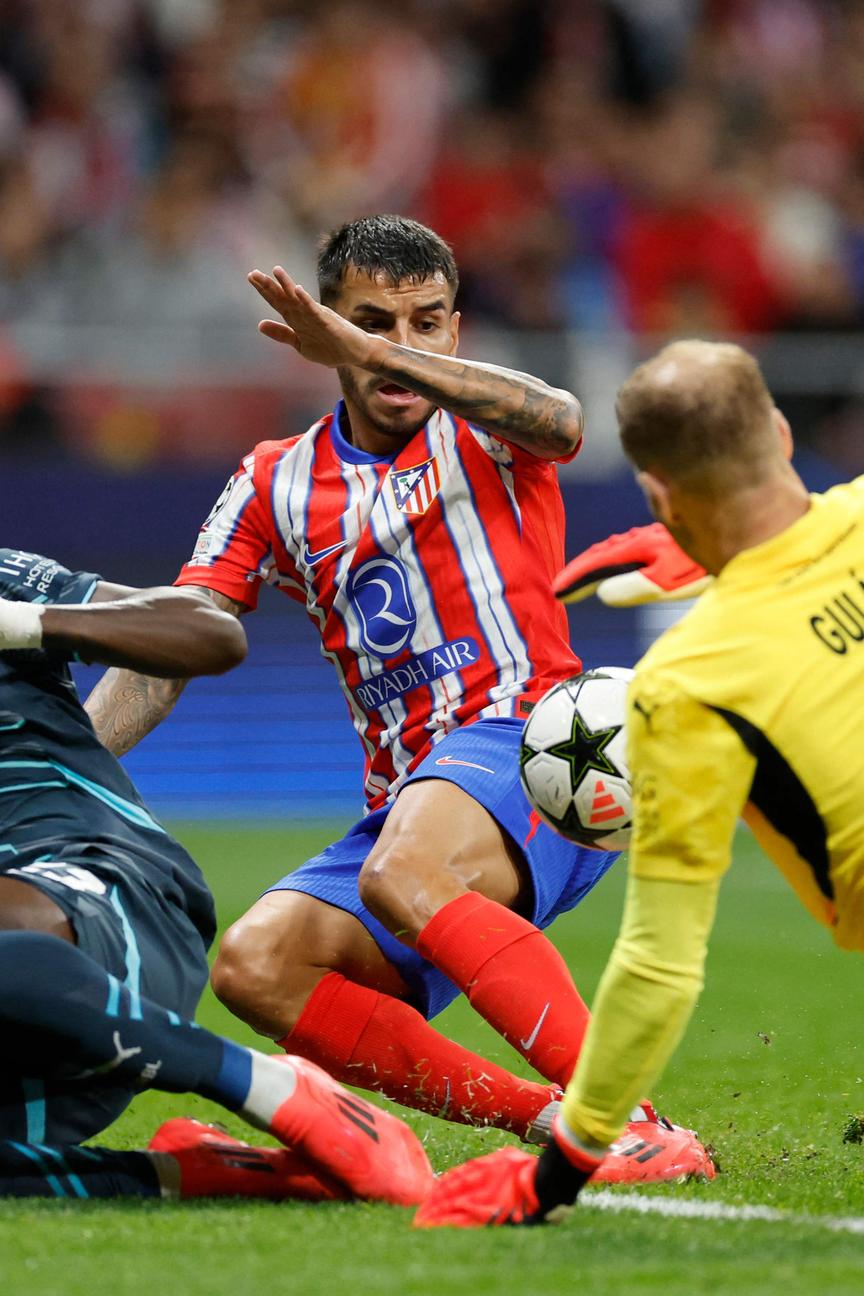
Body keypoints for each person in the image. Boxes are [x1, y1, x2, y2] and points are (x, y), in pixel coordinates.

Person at [85, 215, 712, 1181]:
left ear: (454, 331)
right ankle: (549, 1121)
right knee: (256, 962)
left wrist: (386, 354)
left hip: (537, 749)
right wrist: (69, 756)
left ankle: (623, 1116)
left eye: (426, 323)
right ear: (323, 331)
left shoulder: (488, 428)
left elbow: (565, 421)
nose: (399, 346)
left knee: (397, 872)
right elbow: (176, 640)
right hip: (407, 806)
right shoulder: (274, 481)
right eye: (373, 323)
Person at [0, 477, 433, 1206]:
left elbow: (213, 634)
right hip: (8, 1006)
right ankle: (194, 1175)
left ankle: (270, 1085)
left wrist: (24, 624)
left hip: (113, 901)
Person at [413, 338, 864, 1227]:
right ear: (778, 430)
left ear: (657, 492)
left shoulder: (688, 682)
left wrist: (552, 1178)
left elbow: (660, 966)